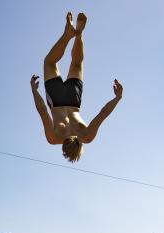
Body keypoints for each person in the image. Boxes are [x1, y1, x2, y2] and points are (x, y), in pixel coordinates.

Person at [31, 12, 123, 162]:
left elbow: (103, 113)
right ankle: (68, 34)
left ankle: (79, 34)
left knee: (77, 64)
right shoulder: (54, 138)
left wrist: (118, 97)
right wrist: (34, 91)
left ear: (80, 149)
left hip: (74, 100)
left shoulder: (87, 136)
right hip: (56, 100)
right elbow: (42, 111)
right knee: (49, 63)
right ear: (64, 149)